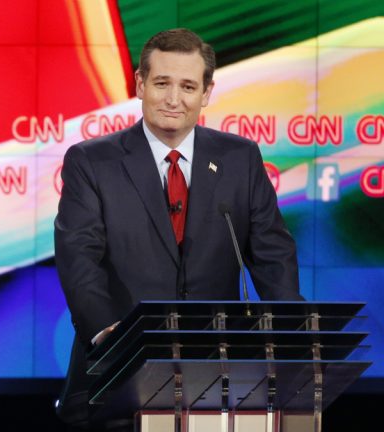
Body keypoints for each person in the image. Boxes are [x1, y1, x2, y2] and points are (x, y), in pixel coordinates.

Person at [53, 28, 303, 430]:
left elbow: (273, 255)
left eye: (188, 86)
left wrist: (293, 335)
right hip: (120, 377)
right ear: (139, 84)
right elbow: (78, 256)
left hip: (221, 381)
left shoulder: (240, 158)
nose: (173, 99)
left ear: (206, 93)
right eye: (162, 83)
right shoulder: (91, 162)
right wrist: (106, 333)